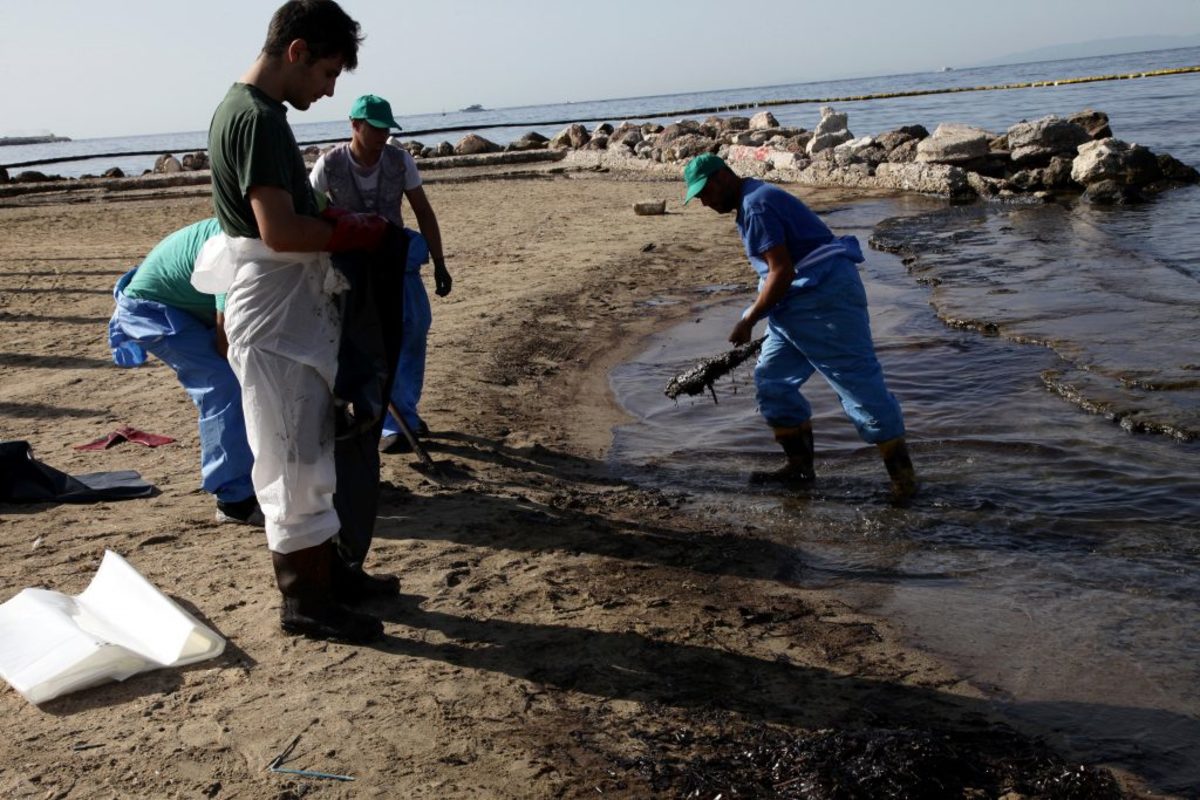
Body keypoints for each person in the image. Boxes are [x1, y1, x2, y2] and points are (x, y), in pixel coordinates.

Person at [205, 0, 394, 643]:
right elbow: (279, 231)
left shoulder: (256, 114)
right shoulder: (254, 119)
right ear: (297, 52)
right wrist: (348, 233)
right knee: (290, 461)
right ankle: (305, 602)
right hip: (275, 313)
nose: (330, 89)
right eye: (327, 73)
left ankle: (331, 576)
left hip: (284, 307)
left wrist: (338, 226)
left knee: (312, 450)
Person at [682, 153, 917, 498]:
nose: (704, 202)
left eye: (704, 193)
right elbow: (782, 272)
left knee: (857, 384)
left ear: (721, 178)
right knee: (773, 383)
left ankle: (904, 481)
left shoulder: (757, 204)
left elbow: (782, 271)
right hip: (794, 302)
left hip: (825, 300)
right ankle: (800, 469)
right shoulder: (752, 201)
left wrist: (749, 319)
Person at [309, 93, 452, 453]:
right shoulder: (329, 165)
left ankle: (403, 415)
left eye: (386, 129)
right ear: (355, 126)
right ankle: (378, 417)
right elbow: (308, 213)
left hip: (397, 262)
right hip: (351, 268)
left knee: (413, 331)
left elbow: (423, 211)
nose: (382, 137)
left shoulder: (399, 161)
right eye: (375, 129)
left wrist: (439, 263)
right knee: (361, 344)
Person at [107, 218, 261, 526]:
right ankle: (234, 500)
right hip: (151, 309)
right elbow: (224, 341)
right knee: (223, 384)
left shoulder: (280, 225)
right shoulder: (237, 246)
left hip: (188, 305)